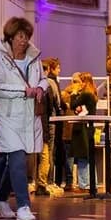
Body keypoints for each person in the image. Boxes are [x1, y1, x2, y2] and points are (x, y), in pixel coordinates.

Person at [0, 17, 47, 220]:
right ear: (11, 37)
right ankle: (23, 205)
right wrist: (23, 90)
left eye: (26, 37)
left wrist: (40, 88)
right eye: (20, 36)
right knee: (18, 157)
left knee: (16, 160)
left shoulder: (34, 57)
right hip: (7, 116)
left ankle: (1, 199)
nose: (24, 41)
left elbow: (44, 79)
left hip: (28, 116)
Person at [35, 57, 63, 196]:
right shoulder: (47, 86)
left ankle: (41, 183)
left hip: (37, 125)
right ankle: (43, 184)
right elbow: (53, 106)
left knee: (40, 156)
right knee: (46, 155)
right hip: (45, 125)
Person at [69, 72, 98, 192]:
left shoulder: (85, 95)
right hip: (87, 128)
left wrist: (74, 93)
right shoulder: (92, 94)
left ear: (84, 82)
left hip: (82, 130)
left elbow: (73, 105)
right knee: (88, 157)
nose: (76, 84)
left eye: (78, 82)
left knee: (83, 157)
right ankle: (92, 183)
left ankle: (84, 184)